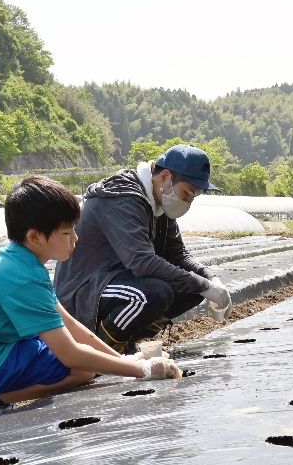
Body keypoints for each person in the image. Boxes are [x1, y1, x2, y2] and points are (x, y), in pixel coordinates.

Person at [0, 177, 181, 419]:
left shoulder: (21, 263)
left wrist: (123, 360)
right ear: (35, 237)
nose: (75, 238)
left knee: (84, 358)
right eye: (67, 232)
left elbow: (69, 324)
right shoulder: (23, 278)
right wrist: (139, 369)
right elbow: (71, 354)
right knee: (82, 370)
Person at [54, 145, 232, 353]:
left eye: (192, 198)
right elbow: (142, 262)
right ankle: (104, 348)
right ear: (165, 177)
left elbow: (177, 254)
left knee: (192, 290)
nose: (186, 202)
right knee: (154, 294)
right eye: (186, 194)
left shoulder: (159, 203)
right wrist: (204, 285)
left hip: (117, 279)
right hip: (85, 289)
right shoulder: (124, 199)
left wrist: (211, 280)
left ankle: (131, 340)